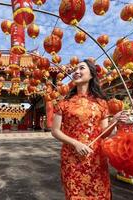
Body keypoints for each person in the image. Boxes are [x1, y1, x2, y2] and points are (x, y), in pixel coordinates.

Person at [52, 59, 128, 200]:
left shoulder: (101, 103)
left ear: (92, 74)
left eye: (81, 68)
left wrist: (114, 121)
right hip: (72, 158)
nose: (76, 72)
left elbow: (104, 134)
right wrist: (75, 143)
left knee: (99, 194)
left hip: (96, 159)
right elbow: (55, 131)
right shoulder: (64, 103)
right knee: (75, 194)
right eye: (75, 69)